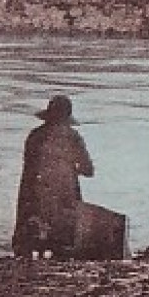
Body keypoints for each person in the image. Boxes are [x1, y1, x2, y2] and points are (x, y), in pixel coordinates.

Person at [13, 94, 94, 259]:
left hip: (34, 190)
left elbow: (28, 164)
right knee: (64, 231)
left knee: (30, 219)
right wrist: (70, 169)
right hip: (63, 192)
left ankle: (29, 248)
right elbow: (88, 170)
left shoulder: (35, 135)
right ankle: (58, 249)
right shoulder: (73, 137)